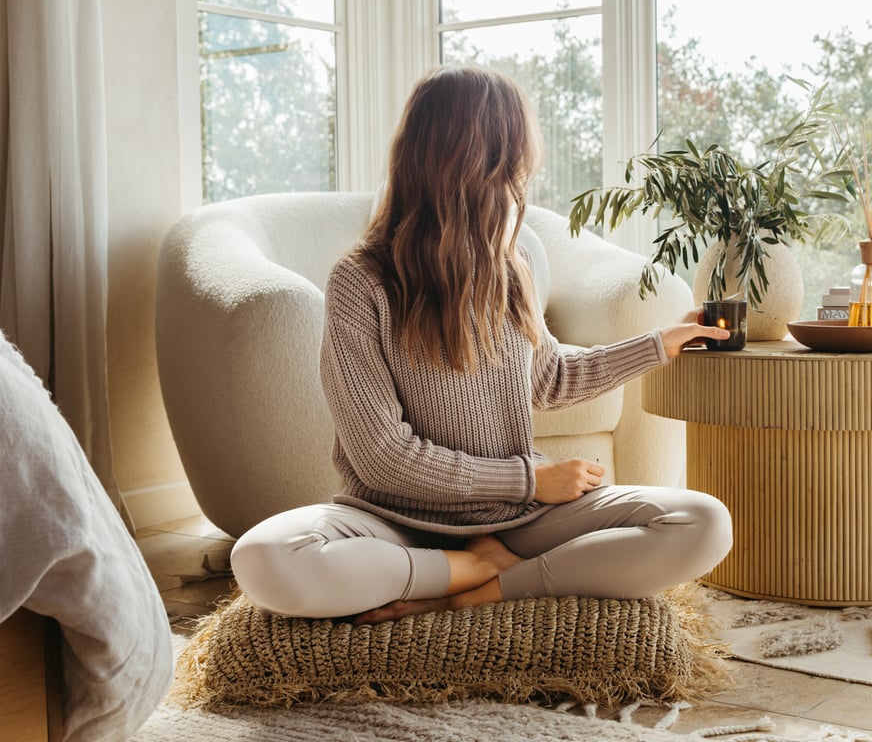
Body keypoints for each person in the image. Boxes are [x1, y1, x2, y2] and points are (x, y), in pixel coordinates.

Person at [230, 65, 734, 623]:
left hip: (518, 520)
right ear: (477, 160)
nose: (525, 172)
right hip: (392, 520)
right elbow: (383, 459)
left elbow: (549, 379)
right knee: (265, 558)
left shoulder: (509, 267)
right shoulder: (360, 281)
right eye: (516, 157)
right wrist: (529, 479)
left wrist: (660, 343)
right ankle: (467, 567)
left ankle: (481, 586)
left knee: (704, 523)